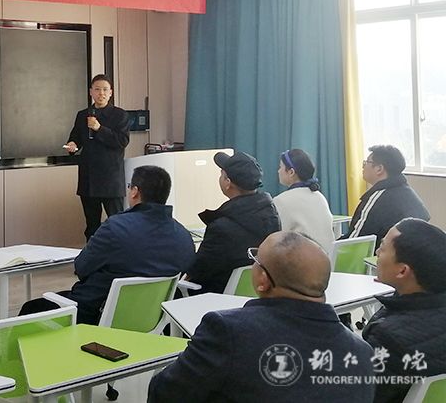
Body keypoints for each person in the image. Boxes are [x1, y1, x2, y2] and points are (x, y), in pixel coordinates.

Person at [148, 231, 375, 403]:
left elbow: (165, 393)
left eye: (255, 260)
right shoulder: (363, 354)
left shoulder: (227, 332)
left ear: (263, 280)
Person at [19, 165, 195, 324]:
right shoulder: (183, 237)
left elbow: (81, 267)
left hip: (94, 316)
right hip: (150, 321)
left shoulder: (115, 227)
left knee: (31, 309)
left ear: (135, 192)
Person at [362, 218, 446, 403]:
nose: (377, 253)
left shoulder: (387, 338)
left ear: (402, 271)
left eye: (382, 248)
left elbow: (358, 394)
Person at [185, 151, 281, 294]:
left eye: (221, 174)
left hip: (215, 298)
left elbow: (196, 271)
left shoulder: (220, 229)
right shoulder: (272, 217)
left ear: (227, 183)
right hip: (257, 295)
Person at [66, 74, 130, 240]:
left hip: (111, 178)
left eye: (105, 90)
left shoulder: (120, 115)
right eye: (97, 89)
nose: (101, 93)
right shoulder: (82, 115)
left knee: (117, 223)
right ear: (91, 92)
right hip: (89, 177)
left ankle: (119, 253)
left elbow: (122, 141)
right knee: (91, 225)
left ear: (111, 93)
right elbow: (75, 138)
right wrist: (72, 144)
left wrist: (99, 128)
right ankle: (92, 253)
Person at [345, 145, 429, 241]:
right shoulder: (409, 193)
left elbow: (354, 241)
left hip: (387, 250)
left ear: (379, 169)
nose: (363, 166)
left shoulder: (377, 199)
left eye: (367, 162)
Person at [273, 148, 335, 253]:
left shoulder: (281, 201)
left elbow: (277, 238)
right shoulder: (319, 196)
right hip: (327, 258)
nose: (278, 171)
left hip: (303, 260)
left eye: (280, 167)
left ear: (291, 172)